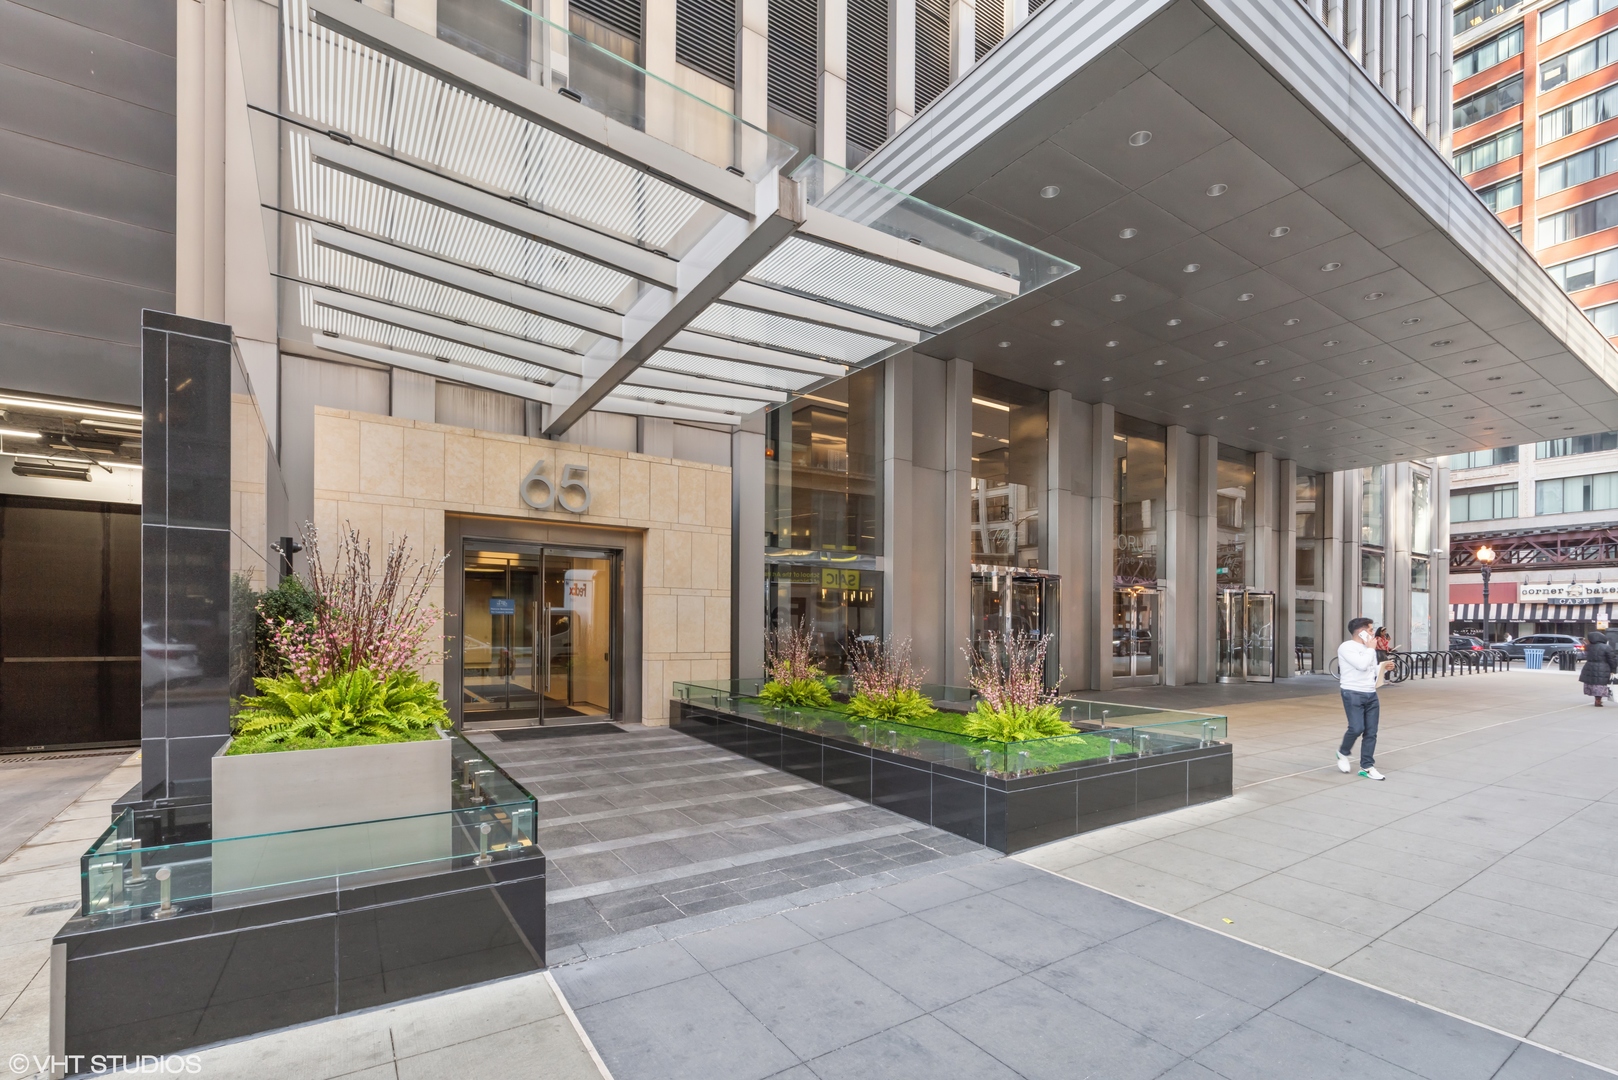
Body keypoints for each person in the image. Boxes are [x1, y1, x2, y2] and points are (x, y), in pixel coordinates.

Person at [1337, 617, 1393, 781]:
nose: (1372, 633)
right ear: (1361, 632)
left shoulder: (1369, 648)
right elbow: (1360, 665)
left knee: (1371, 731)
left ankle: (1367, 766)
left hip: (1370, 693)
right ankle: (1343, 752)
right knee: (1356, 728)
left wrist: (1384, 667)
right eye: (1370, 630)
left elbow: (1369, 669)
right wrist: (1370, 649)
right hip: (1352, 692)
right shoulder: (1346, 647)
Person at [1580, 632, 1614, 707]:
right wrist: (1613, 669)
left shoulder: (1588, 647)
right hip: (1603, 667)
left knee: (1593, 683)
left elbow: (1584, 655)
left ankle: (1597, 699)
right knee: (1600, 683)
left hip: (1589, 666)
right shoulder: (1606, 647)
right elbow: (1611, 659)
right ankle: (1598, 699)